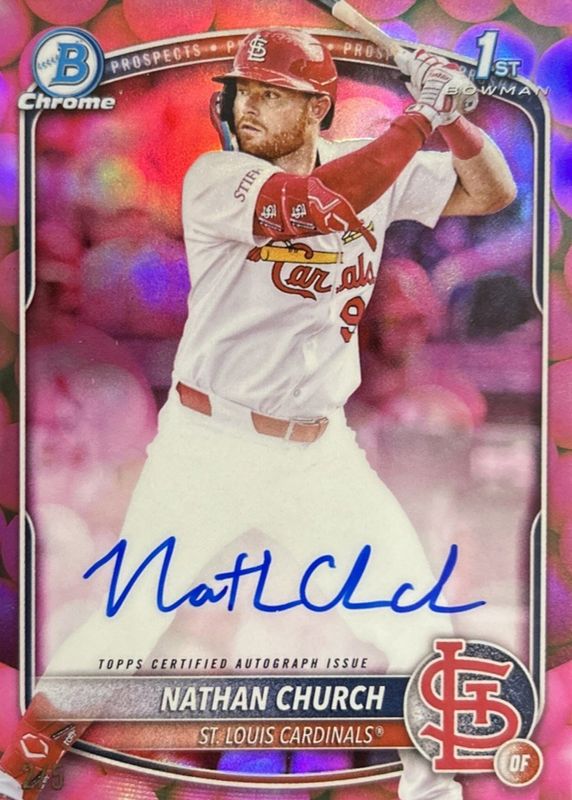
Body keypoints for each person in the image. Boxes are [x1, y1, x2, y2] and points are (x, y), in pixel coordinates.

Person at [0, 28, 516, 800]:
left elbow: (491, 192)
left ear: (316, 109)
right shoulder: (220, 178)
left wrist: (456, 118)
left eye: (274, 95)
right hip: (211, 441)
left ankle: (433, 793)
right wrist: (419, 119)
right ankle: (18, 772)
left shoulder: (376, 169)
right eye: (245, 91)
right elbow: (316, 206)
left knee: (415, 621)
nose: (249, 107)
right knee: (127, 624)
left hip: (317, 451)